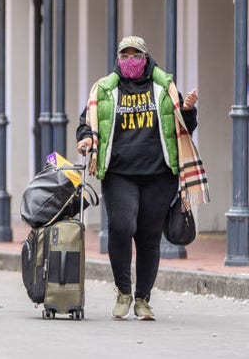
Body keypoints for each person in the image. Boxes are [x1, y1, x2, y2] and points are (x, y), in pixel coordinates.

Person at [75, 35, 209, 321]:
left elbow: (184, 127)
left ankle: (143, 299)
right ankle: (124, 291)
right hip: (119, 172)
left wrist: (188, 109)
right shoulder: (105, 90)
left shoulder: (163, 87)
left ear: (146, 59)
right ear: (118, 59)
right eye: (125, 56)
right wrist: (86, 140)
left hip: (159, 175)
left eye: (136, 55)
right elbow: (86, 123)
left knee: (149, 237)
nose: (130, 61)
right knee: (122, 226)